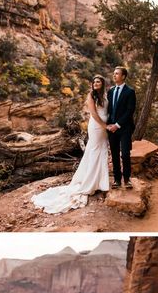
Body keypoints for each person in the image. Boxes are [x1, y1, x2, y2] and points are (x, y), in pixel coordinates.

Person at [32, 75, 109, 213]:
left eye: (98, 82)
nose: (96, 83)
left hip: (105, 128)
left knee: (101, 150)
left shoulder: (105, 95)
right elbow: (93, 113)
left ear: (102, 84)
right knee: (94, 151)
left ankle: (101, 182)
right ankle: (91, 182)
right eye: (94, 82)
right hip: (97, 126)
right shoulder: (91, 95)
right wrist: (104, 125)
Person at [106, 66, 136, 189]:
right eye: (114, 73)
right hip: (111, 129)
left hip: (124, 128)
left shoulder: (130, 92)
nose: (114, 75)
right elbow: (109, 110)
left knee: (124, 154)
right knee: (114, 154)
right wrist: (108, 125)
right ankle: (117, 180)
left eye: (117, 73)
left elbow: (130, 111)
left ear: (123, 76)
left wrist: (117, 125)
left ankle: (127, 179)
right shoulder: (111, 91)